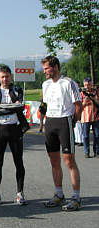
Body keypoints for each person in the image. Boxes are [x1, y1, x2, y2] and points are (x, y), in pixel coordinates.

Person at [41, 56, 83, 211]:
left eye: (47, 68)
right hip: (50, 122)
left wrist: (72, 123)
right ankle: (59, 194)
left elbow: (78, 106)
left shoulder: (68, 83)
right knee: (54, 161)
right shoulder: (45, 84)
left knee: (69, 161)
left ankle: (76, 197)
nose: (44, 71)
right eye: (44, 68)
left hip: (64, 121)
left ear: (55, 67)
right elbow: (44, 105)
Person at [0, 65, 30, 207]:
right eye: (2, 77)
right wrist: (11, 107)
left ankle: (20, 193)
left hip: (15, 130)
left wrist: (2, 106)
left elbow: (21, 106)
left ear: (11, 76)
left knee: (19, 162)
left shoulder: (17, 90)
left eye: (7, 76)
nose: (5, 79)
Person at [80, 78, 99, 158]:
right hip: (85, 117)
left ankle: (97, 151)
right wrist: (84, 102)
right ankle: (86, 151)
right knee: (85, 136)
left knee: (97, 135)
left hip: (95, 116)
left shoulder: (96, 92)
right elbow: (79, 106)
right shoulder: (81, 93)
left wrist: (94, 99)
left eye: (89, 85)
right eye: (86, 85)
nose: (87, 87)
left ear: (91, 84)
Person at [74, 82, 83, 146]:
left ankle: (80, 140)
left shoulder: (80, 92)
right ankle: (77, 139)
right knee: (76, 127)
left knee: (79, 126)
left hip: (79, 110)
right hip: (74, 109)